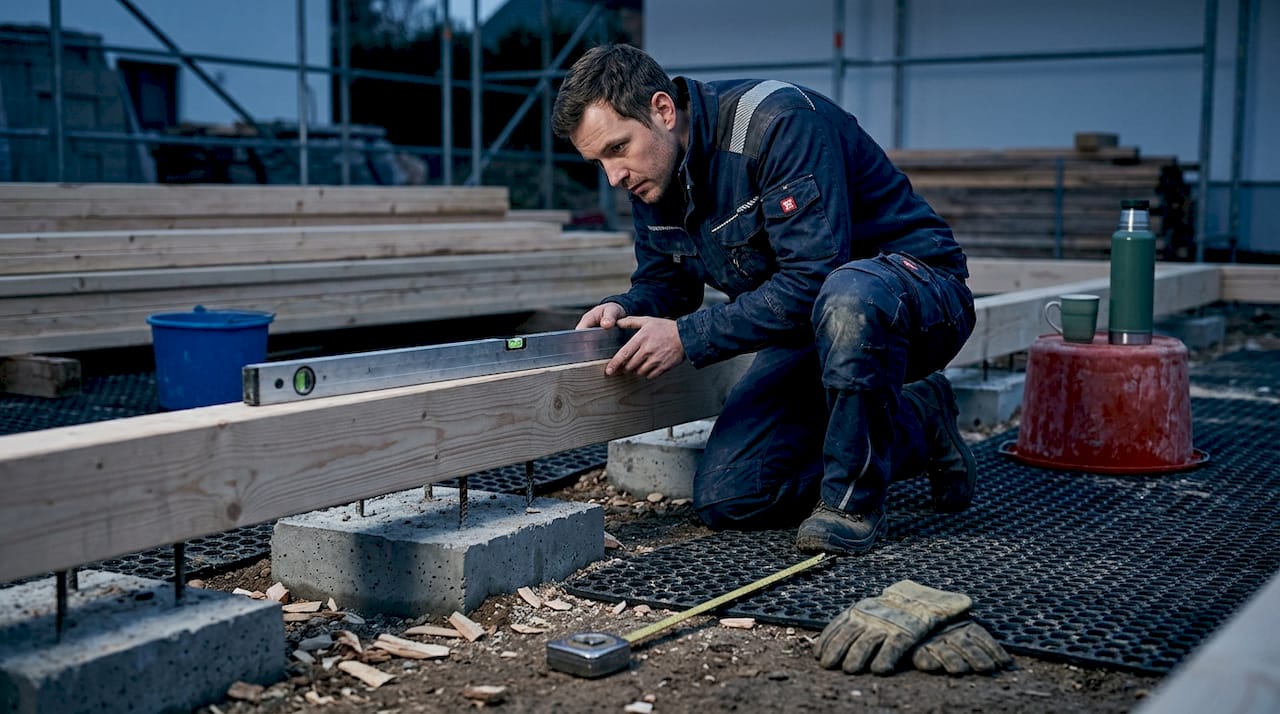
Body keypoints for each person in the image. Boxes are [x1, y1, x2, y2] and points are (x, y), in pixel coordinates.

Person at [551, 44, 977, 555]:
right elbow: (669, 284)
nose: (613, 176)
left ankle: (851, 504)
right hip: (808, 327)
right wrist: (624, 306)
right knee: (733, 494)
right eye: (597, 161)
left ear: (663, 110)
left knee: (850, 294)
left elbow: (815, 277)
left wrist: (687, 336)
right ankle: (918, 420)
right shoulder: (653, 175)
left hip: (916, 296)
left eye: (617, 149)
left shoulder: (777, 124)